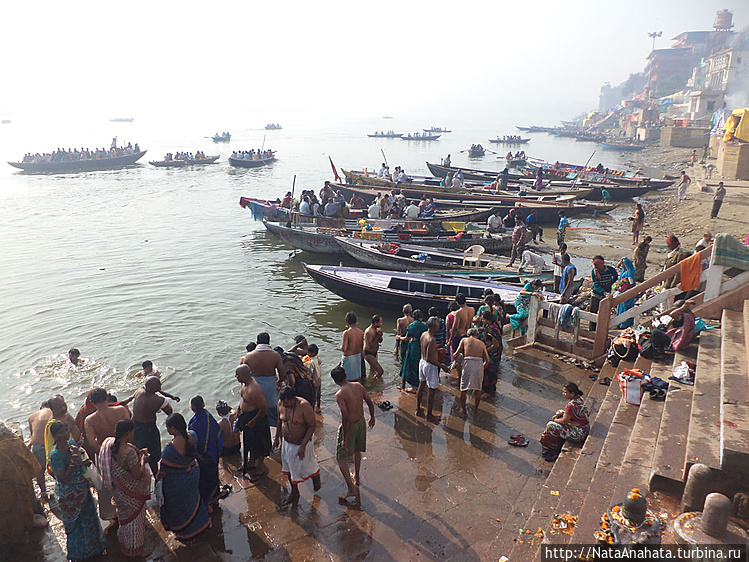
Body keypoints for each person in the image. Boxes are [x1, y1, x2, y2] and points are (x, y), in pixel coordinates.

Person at [48, 420, 108, 560]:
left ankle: (95, 549)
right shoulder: (55, 454)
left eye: (66, 429)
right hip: (69, 495)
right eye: (62, 432)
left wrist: (82, 462)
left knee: (89, 519)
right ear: (55, 436)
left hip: (82, 489)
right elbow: (62, 478)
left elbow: (78, 460)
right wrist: (73, 462)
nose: (66, 433)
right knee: (75, 525)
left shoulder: (70, 443)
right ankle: (80, 555)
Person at [99, 419, 151, 558]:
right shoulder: (129, 452)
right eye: (133, 432)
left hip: (120, 493)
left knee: (125, 521)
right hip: (132, 495)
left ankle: (125, 545)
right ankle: (135, 550)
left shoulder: (110, 446)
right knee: (135, 521)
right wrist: (143, 461)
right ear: (128, 434)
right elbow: (138, 474)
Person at [158, 413, 211, 541]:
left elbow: (163, 471)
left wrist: (156, 479)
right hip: (192, 473)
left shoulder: (169, 449)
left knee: (177, 505)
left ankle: (184, 530)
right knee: (193, 499)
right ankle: (202, 524)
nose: (167, 430)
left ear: (174, 429)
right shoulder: (192, 436)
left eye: (168, 428)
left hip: (177, 482)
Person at [83, 387, 130, 522]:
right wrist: (122, 449)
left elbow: (92, 444)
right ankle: (132, 509)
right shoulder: (121, 410)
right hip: (124, 450)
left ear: (92, 402)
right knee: (129, 480)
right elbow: (130, 432)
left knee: (110, 486)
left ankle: (114, 514)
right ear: (107, 397)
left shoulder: (90, 420)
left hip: (105, 454)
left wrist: (106, 454)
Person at [0, 420, 47, 546]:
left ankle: (19, 536)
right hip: (24, 486)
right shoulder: (15, 440)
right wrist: (44, 492)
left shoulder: (3, 449)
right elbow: (36, 468)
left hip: (10, 491)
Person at [331, 366, 375, 502]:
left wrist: (344, 438)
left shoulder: (340, 394)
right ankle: (356, 475)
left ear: (335, 381)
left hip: (350, 426)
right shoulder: (358, 385)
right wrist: (372, 416)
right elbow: (369, 401)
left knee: (341, 457)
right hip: (361, 421)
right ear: (345, 375)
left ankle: (351, 488)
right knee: (356, 450)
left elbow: (345, 417)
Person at [274, 387, 321, 504]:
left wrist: (303, 446)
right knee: (289, 468)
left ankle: (316, 480)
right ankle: (295, 492)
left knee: (309, 465)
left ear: (293, 399)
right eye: (283, 403)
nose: (284, 405)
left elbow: (312, 425)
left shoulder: (304, 406)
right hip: (287, 443)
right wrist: (276, 438)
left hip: (302, 443)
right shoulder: (280, 404)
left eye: (287, 403)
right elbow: (279, 422)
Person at [241, 332, 285, 429]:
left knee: (256, 415)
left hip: (254, 389)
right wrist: (279, 381)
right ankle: (276, 437)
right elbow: (282, 374)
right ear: (269, 342)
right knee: (273, 416)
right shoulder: (275, 355)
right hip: (270, 390)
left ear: (257, 342)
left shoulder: (249, 356)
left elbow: (243, 374)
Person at [131, 376, 174, 475]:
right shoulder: (158, 400)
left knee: (138, 452)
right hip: (148, 429)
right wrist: (164, 401)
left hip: (134, 427)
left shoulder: (139, 391)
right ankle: (155, 475)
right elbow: (169, 411)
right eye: (159, 384)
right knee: (153, 456)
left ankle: (139, 472)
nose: (160, 385)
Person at [188, 396, 224, 509]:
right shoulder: (209, 417)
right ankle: (214, 499)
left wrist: (198, 454)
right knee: (212, 477)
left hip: (203, 456)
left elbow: (193, 441)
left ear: (192, 409)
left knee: (204, 480)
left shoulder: (193, 423)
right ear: (203, 404)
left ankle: (208, 505)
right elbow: (218, 434)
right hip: (212, 453)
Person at [540, 382, 590, 462]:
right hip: (584, 428)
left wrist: (555, 420)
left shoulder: (571, 405)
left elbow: (564, 421)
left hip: (579, 434)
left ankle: (553, 450)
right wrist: (562, 413)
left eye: (566, 392)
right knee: (560, 412)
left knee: (551, 426)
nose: (564, 394)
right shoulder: (579, 399)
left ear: (572, 393)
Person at [417, 316, 448, 422]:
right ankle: (429, 415)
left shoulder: (424, 335)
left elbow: (426, 352)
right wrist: (442, 366)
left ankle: (418, 409)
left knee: (421, 386)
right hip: (430, 366)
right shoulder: (432, 339)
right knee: (431, 390)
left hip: (422, 362)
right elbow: (430, 358)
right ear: (435, 327)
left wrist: (438, 350)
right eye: (438, 325)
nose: (439, 327)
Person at [455, 328, 489, 417]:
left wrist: (457, 359)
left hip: (468, 363)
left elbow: (455, 354)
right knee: (478, 389)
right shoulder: (481, 343)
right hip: (478, 364)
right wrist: (482, 368)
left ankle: (464, 410)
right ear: (477, 335)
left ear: (468, 334)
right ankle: (475, 411)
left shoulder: (464, 340)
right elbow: (487, 360)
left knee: (464, 388)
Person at [28, 400, 53, 500]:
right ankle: (60, 490)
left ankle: (43, 493)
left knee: (40, 471)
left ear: (40, 408)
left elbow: (32, 434)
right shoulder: (52, 412)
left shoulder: (32, 417)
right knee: (56, 468)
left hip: (36, 446)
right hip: (49, 444)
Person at [477, 309, 503, 397]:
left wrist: (485, 351)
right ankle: (489, 389)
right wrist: (484, 330)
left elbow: (496, 345)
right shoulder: (492, 326)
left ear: (488, 320)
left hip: (493, 354)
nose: (482, 321)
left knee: (489, 371)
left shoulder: (493, 330)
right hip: (492, 352)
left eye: (483, 319)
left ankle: (488, 391)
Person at [399, 310, 427, 391]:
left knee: (408, 364)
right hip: (421, 346)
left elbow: (406, 338)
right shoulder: (424, 325)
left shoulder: (412, 326)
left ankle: (413, 387)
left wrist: (399, 337)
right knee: (418, 365)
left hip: (413, 346)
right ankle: (420, 384)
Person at [590, 256, 618, 330]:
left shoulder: (610, 270)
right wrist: (604, 292)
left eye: (596, 265)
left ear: (602, 264)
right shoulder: (594, 272)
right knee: (593, 312)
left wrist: (610, 283)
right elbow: (596, 284)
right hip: (596, 294)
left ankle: (602, 329)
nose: (595, 266)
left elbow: (615, 276)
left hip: (606, 293)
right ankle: (592, 329)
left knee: (604, 312)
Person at [614, 258, 638, 329]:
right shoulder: (623, 271)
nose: (621, 265)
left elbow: (631, 283)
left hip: (626, 293)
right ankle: (619, 323)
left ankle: (624, 324)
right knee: (620, 308)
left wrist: (625, 288)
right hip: (621, 292)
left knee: (625, 308)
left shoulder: (629, 273)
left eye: (622, 264)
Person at [340, 311, 364, 382]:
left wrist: (340, 347)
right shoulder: (360, 332)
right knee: (357, 378)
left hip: (348, 358)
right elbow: (361, 347)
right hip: (357, 356)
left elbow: (344, 348)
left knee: (346, 380)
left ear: (346, 321)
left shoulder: (346, 333)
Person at [451, 293, 475, 358]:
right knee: (465, 356)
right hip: (468, 335)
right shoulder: (472, 309)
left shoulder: (458, 313)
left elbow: (455, 327)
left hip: (459, 336)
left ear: (457, 303)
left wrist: (450, 339)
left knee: (457, 358)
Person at [303, 345, 323, 413]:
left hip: (314, 382)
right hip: (319, 380)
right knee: (318, 395)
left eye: (308, 353)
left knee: (313, 397)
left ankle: (312, 409)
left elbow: (310, 373)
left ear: (312, 353)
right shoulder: (318, 359)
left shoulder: (311, 363)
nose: (307, 354)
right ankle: (318, 407)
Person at [363, 315, 384, 379]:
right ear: (375, 323)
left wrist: (380, 335)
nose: (381, 324)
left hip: (375, 353)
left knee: (372, 370)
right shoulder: (368, 331)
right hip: (368, 353)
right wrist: (377, 335)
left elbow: (380, 341)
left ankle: (371, 381)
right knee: (380, 371)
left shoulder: (377, 329)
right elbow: (371, 345)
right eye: (380, 322)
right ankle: (374, 382)